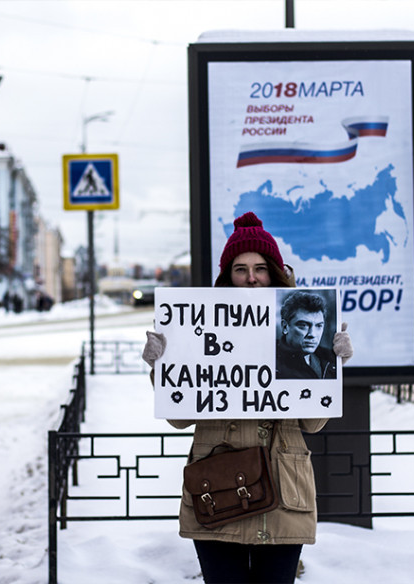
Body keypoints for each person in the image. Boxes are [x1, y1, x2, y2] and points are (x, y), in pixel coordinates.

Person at [142, 212, 354, 584]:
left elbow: (313, 423)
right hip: (218, 489)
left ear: (275, 273)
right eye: (240, 269)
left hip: (283, 492)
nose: (251, 278)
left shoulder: (301, 339)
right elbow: (178, 418)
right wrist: (161, 365)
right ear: (228, 276)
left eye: (260, 268)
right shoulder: (201, 326)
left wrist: (334, 366)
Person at [276, 290, 337, 380]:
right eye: (303, 325)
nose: (312, 334)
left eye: (319, 326)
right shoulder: (271, 359)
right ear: (285, 327)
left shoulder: (330, 358)